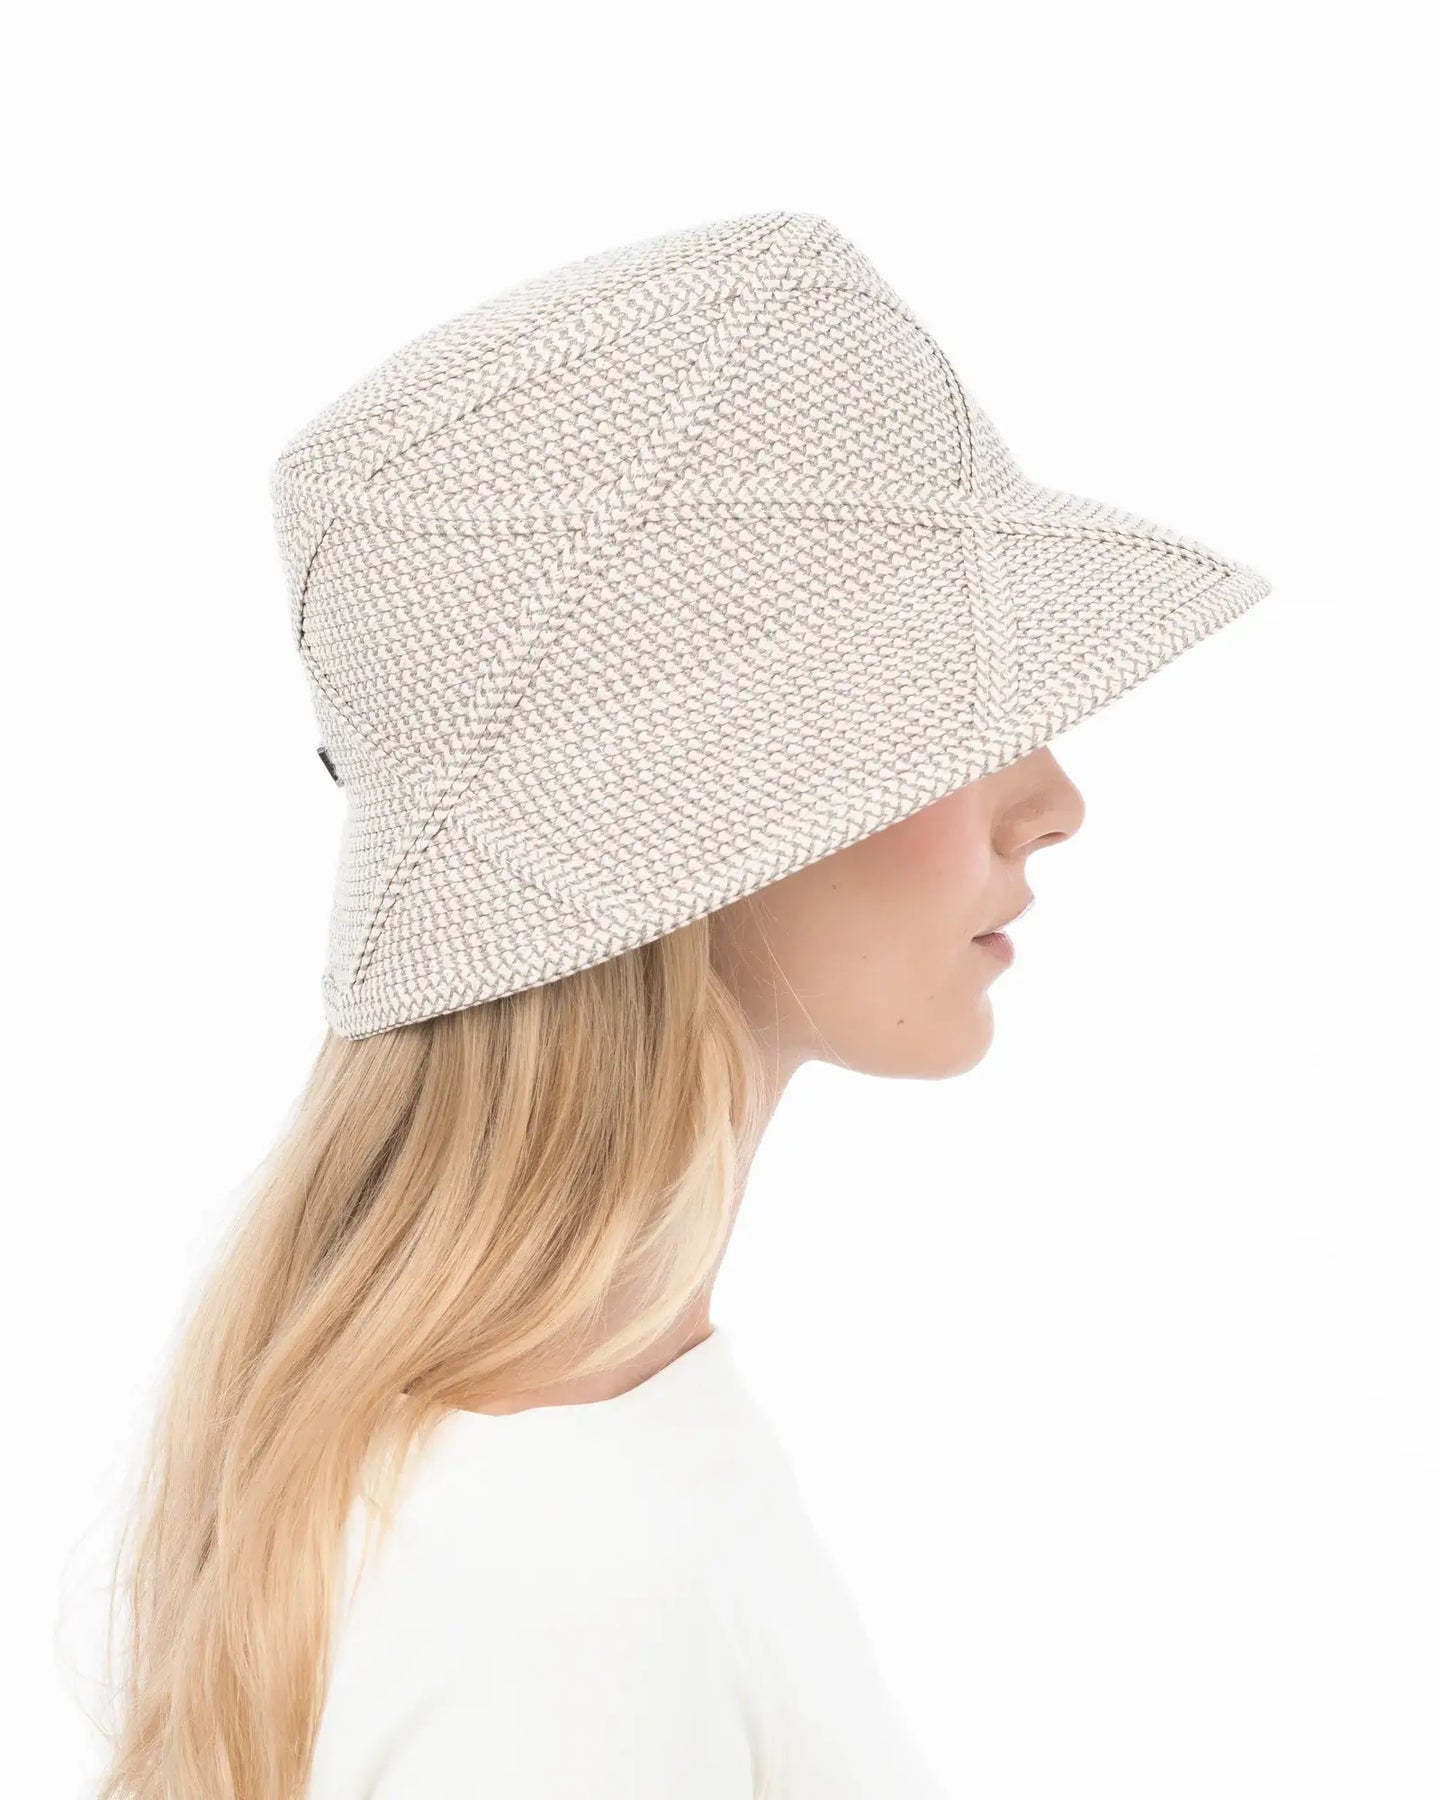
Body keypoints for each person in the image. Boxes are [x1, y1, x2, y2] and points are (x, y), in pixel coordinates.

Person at [97, 210, 1271, 1798]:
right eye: (938, 707)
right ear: (693, 831)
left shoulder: (578, 1450)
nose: (1054, 802)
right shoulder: (558, 1582)